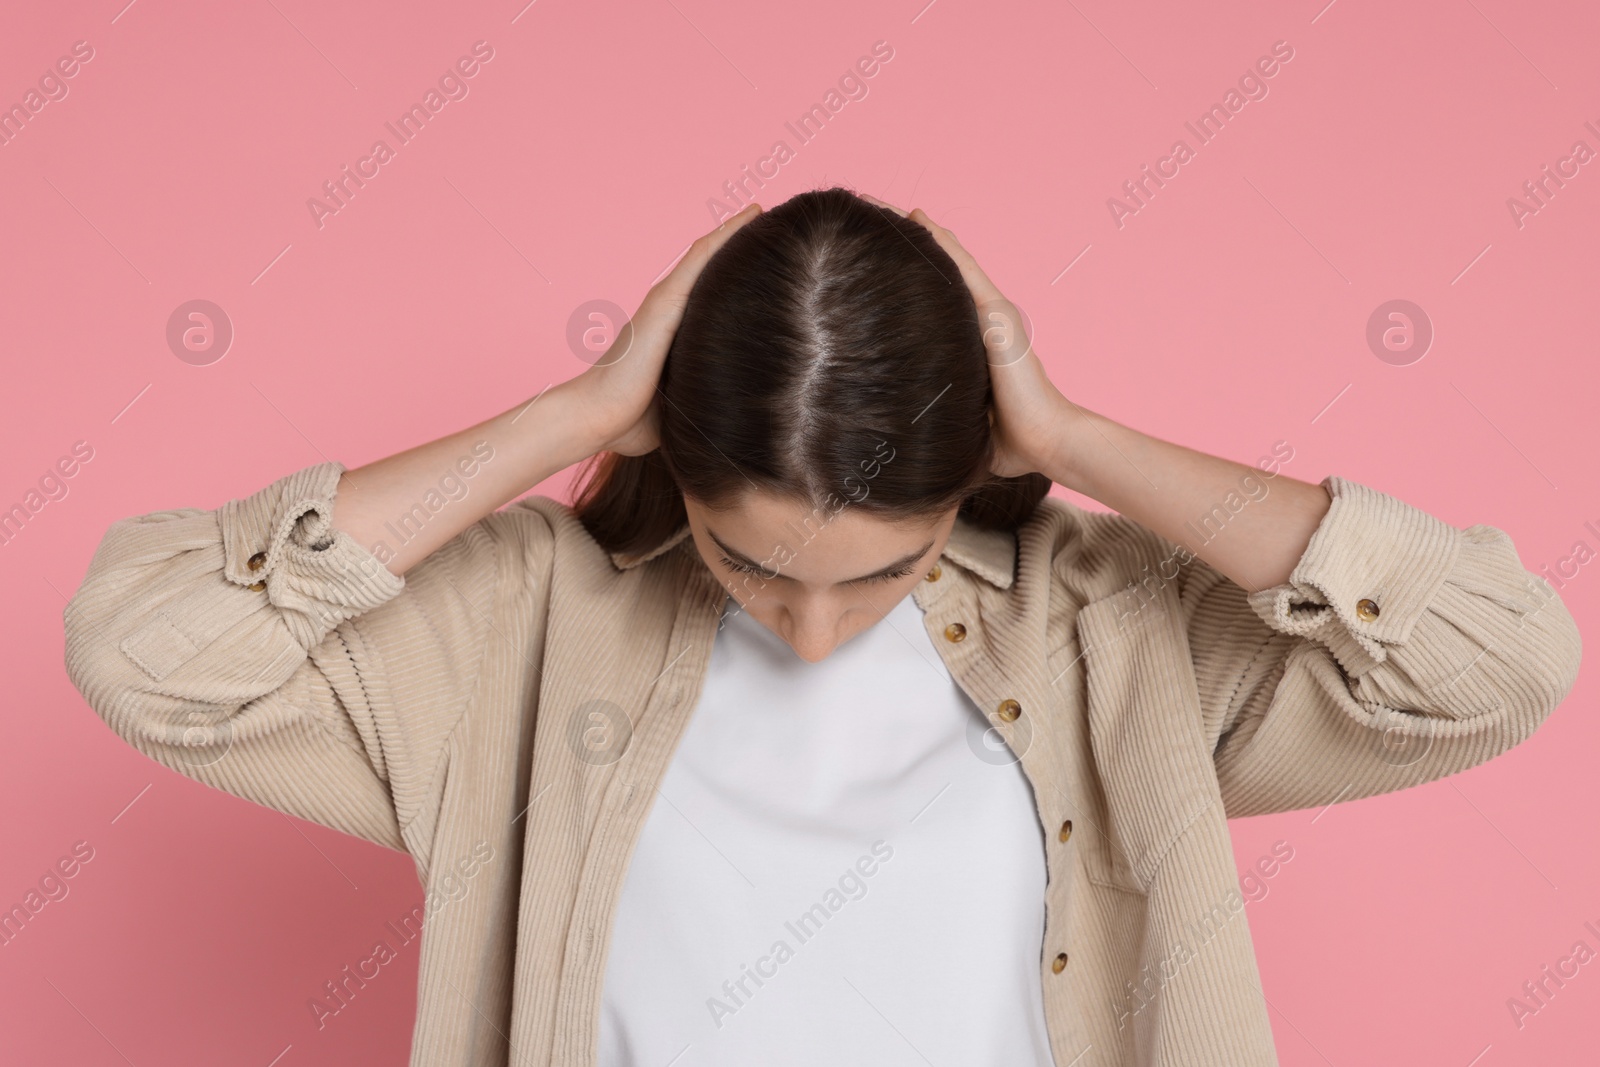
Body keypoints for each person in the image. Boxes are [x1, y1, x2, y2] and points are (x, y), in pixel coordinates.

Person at [63, 187, 1581, 1066]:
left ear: (964, 495)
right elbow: (146, 652)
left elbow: (1498, 664)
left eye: (877, 572)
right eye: (748, 562)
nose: (807, 629)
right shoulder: (517, 633)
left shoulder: (1110, 632)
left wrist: (1081, 434)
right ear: (678, 473)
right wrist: (569, 416)